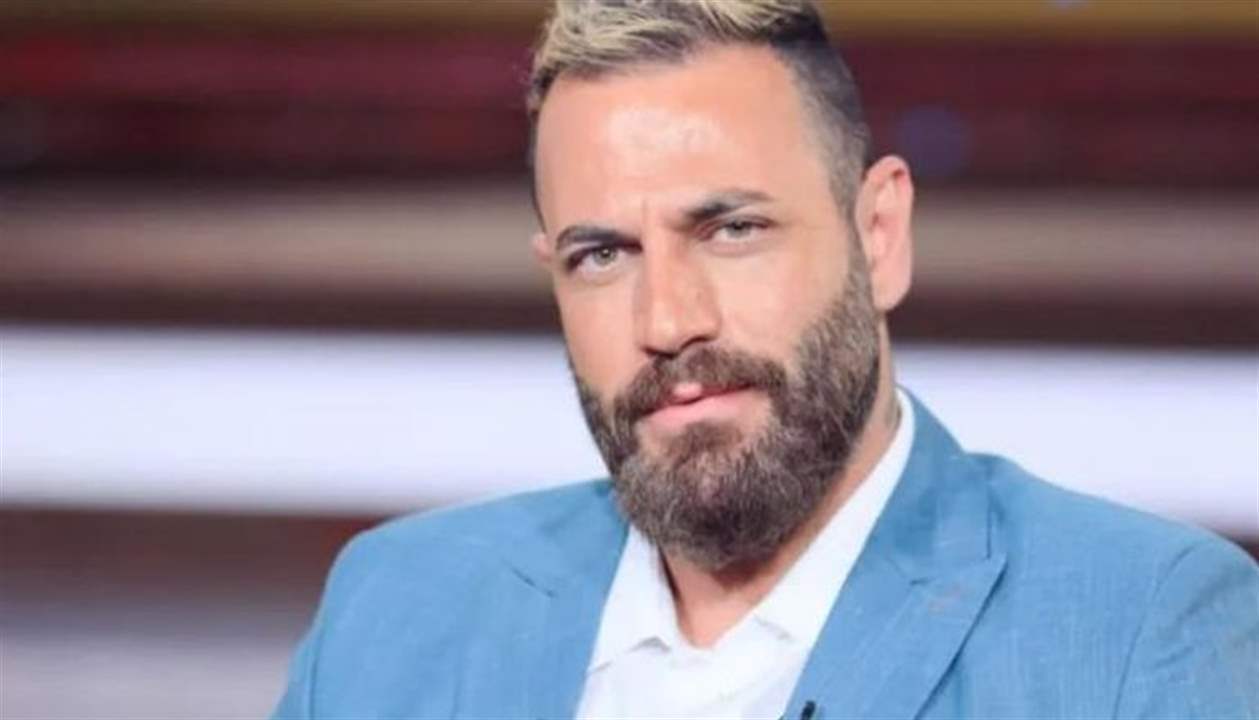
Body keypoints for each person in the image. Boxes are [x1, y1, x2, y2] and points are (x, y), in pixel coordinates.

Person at [272, 2, 1258, 718]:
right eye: (602, 255)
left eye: (731, 229)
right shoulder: (394, 608)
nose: (668, 320)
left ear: (877, 235)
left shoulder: (1142, 630)